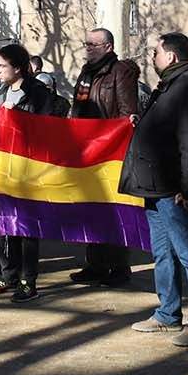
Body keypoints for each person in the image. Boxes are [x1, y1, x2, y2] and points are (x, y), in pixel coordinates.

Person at [122, 32, 188, 347]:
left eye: (155, 52)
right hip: (155, 186)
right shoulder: (171, 85)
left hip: (174, 189)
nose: (152, 57)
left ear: (171, 56)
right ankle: (168, 313)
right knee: (163, 253)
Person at [0, 42, 68, 301]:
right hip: (3, 171)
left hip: (29, 173)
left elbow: (46, 132)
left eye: (2, 66)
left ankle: (28, 281)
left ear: (18, 68)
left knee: (27, 229)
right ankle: (8, 274)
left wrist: (17, 117)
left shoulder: (38, 95)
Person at [69, 27, 141, 285]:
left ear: (108, 47)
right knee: (91, 210)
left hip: (110, 152)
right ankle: (95, 264)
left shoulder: (120, 72)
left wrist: (111, 140)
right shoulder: (86, 73)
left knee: (113, 210)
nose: (88, 48)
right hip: (87, 151)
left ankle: (120, 267)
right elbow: (78, 109)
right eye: (86, 44)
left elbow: (127, 113)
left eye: (93, 45)